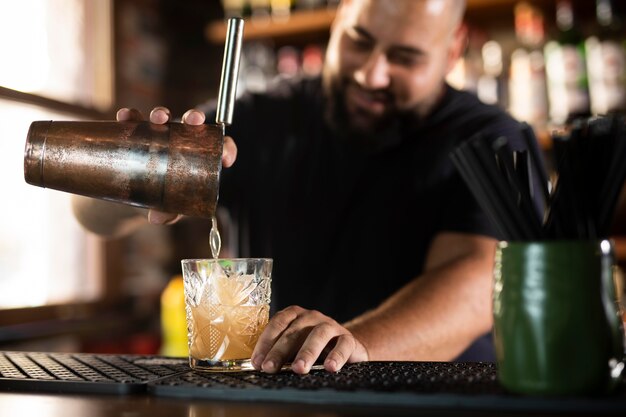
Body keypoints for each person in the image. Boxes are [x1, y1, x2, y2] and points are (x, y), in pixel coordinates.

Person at [73, 0, 543, 374]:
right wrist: (138, 172)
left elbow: (482, 280)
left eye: (405, 57)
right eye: (359, 41)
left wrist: (352, 345)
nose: (370, 73)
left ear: (453, 48)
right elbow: (87, 212)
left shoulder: (494, 140)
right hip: (282, 400)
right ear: (339, 20)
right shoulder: (256, 120)